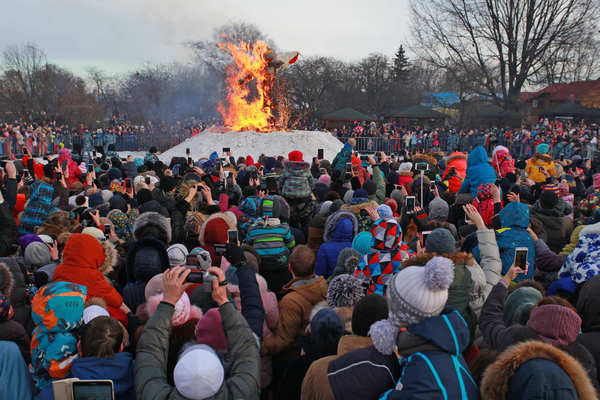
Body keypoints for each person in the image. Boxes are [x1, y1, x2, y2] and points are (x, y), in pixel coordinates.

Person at [134, 265, 261, 399]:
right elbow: (246, 348)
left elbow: (150, 353)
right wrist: (223, 300)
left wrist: (168, 301)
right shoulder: (243, 394)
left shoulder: (153, 395)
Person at [262, 245, 327, 358]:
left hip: (296, 355)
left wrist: (260, 347)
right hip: (318, 350)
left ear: (290, 267)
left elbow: (284, 339)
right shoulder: (324, 286)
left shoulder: (290, 301)